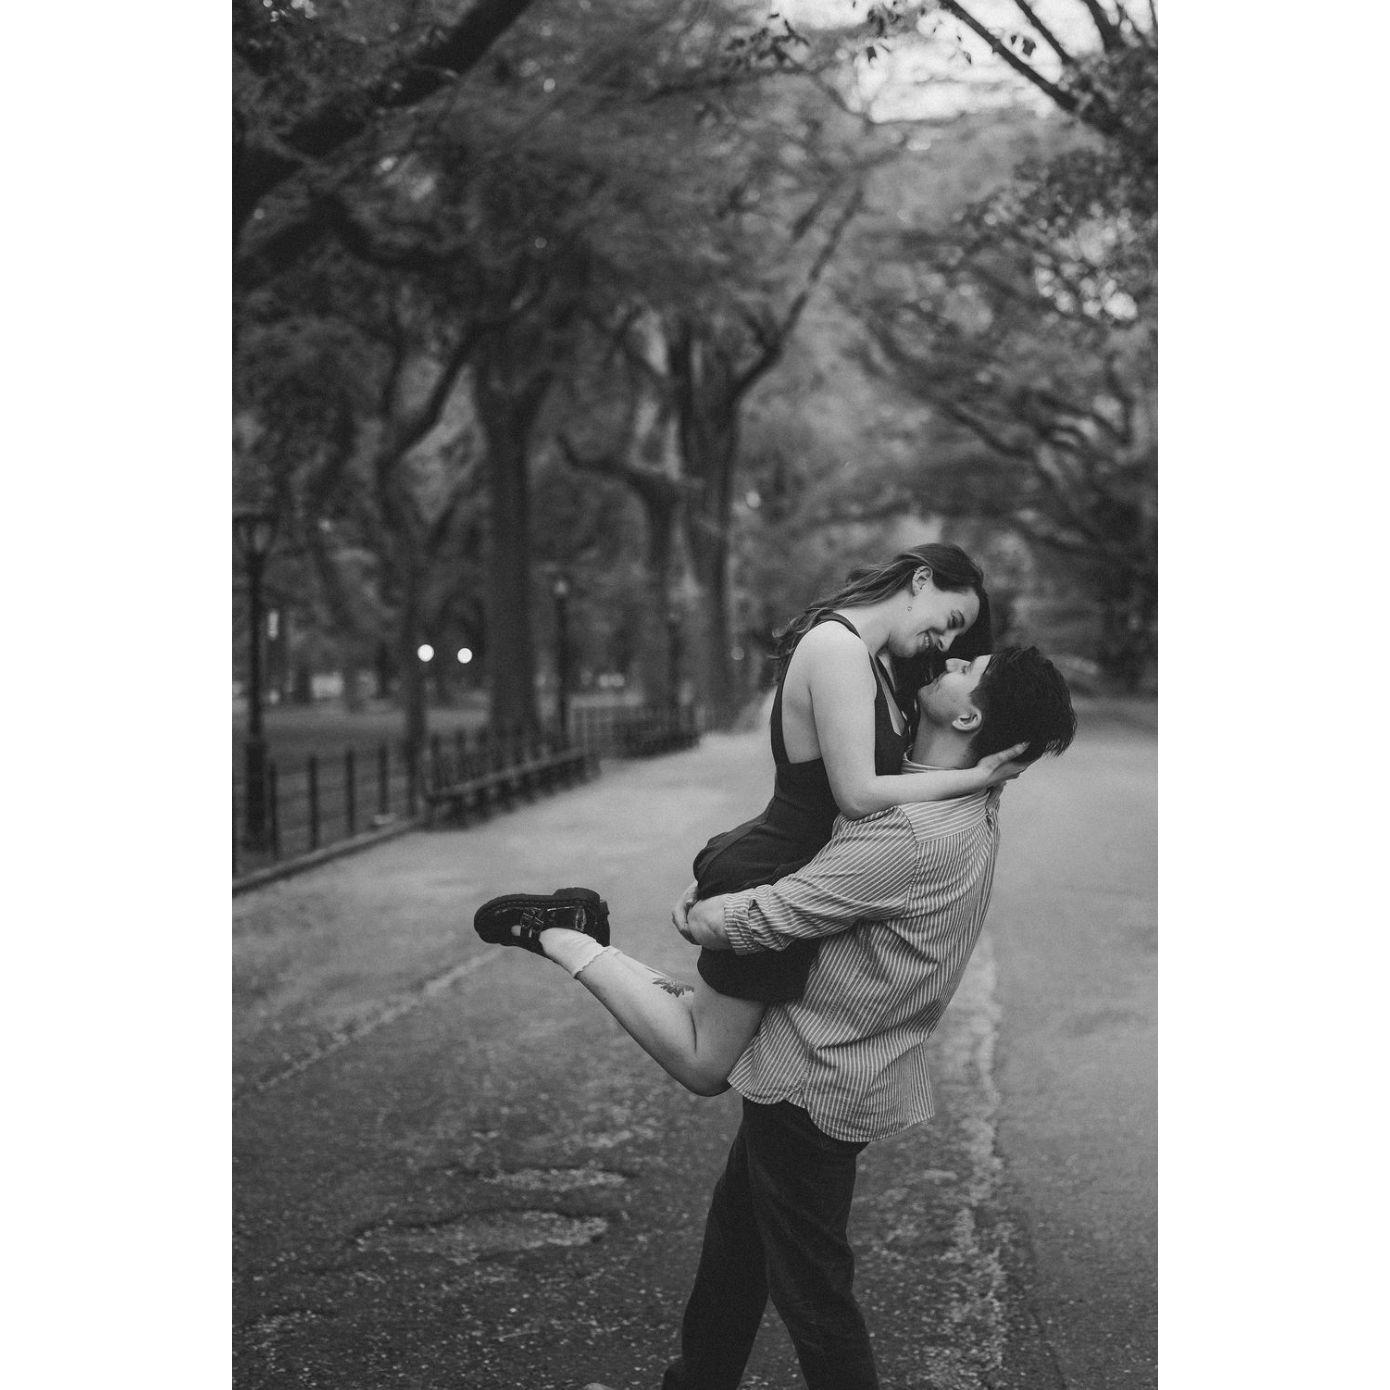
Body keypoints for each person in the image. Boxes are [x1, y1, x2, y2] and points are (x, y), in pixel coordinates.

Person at [474, 645, 1078, 1390]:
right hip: (832, 1066)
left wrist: (704, 910)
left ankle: (568, 942)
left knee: (814, 1295)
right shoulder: (960, 802)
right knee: (737, 1249)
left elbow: (760, 918)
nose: (949, 660)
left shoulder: (912, 836)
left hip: (815, 1083)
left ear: (967, 718)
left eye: (967, 670)